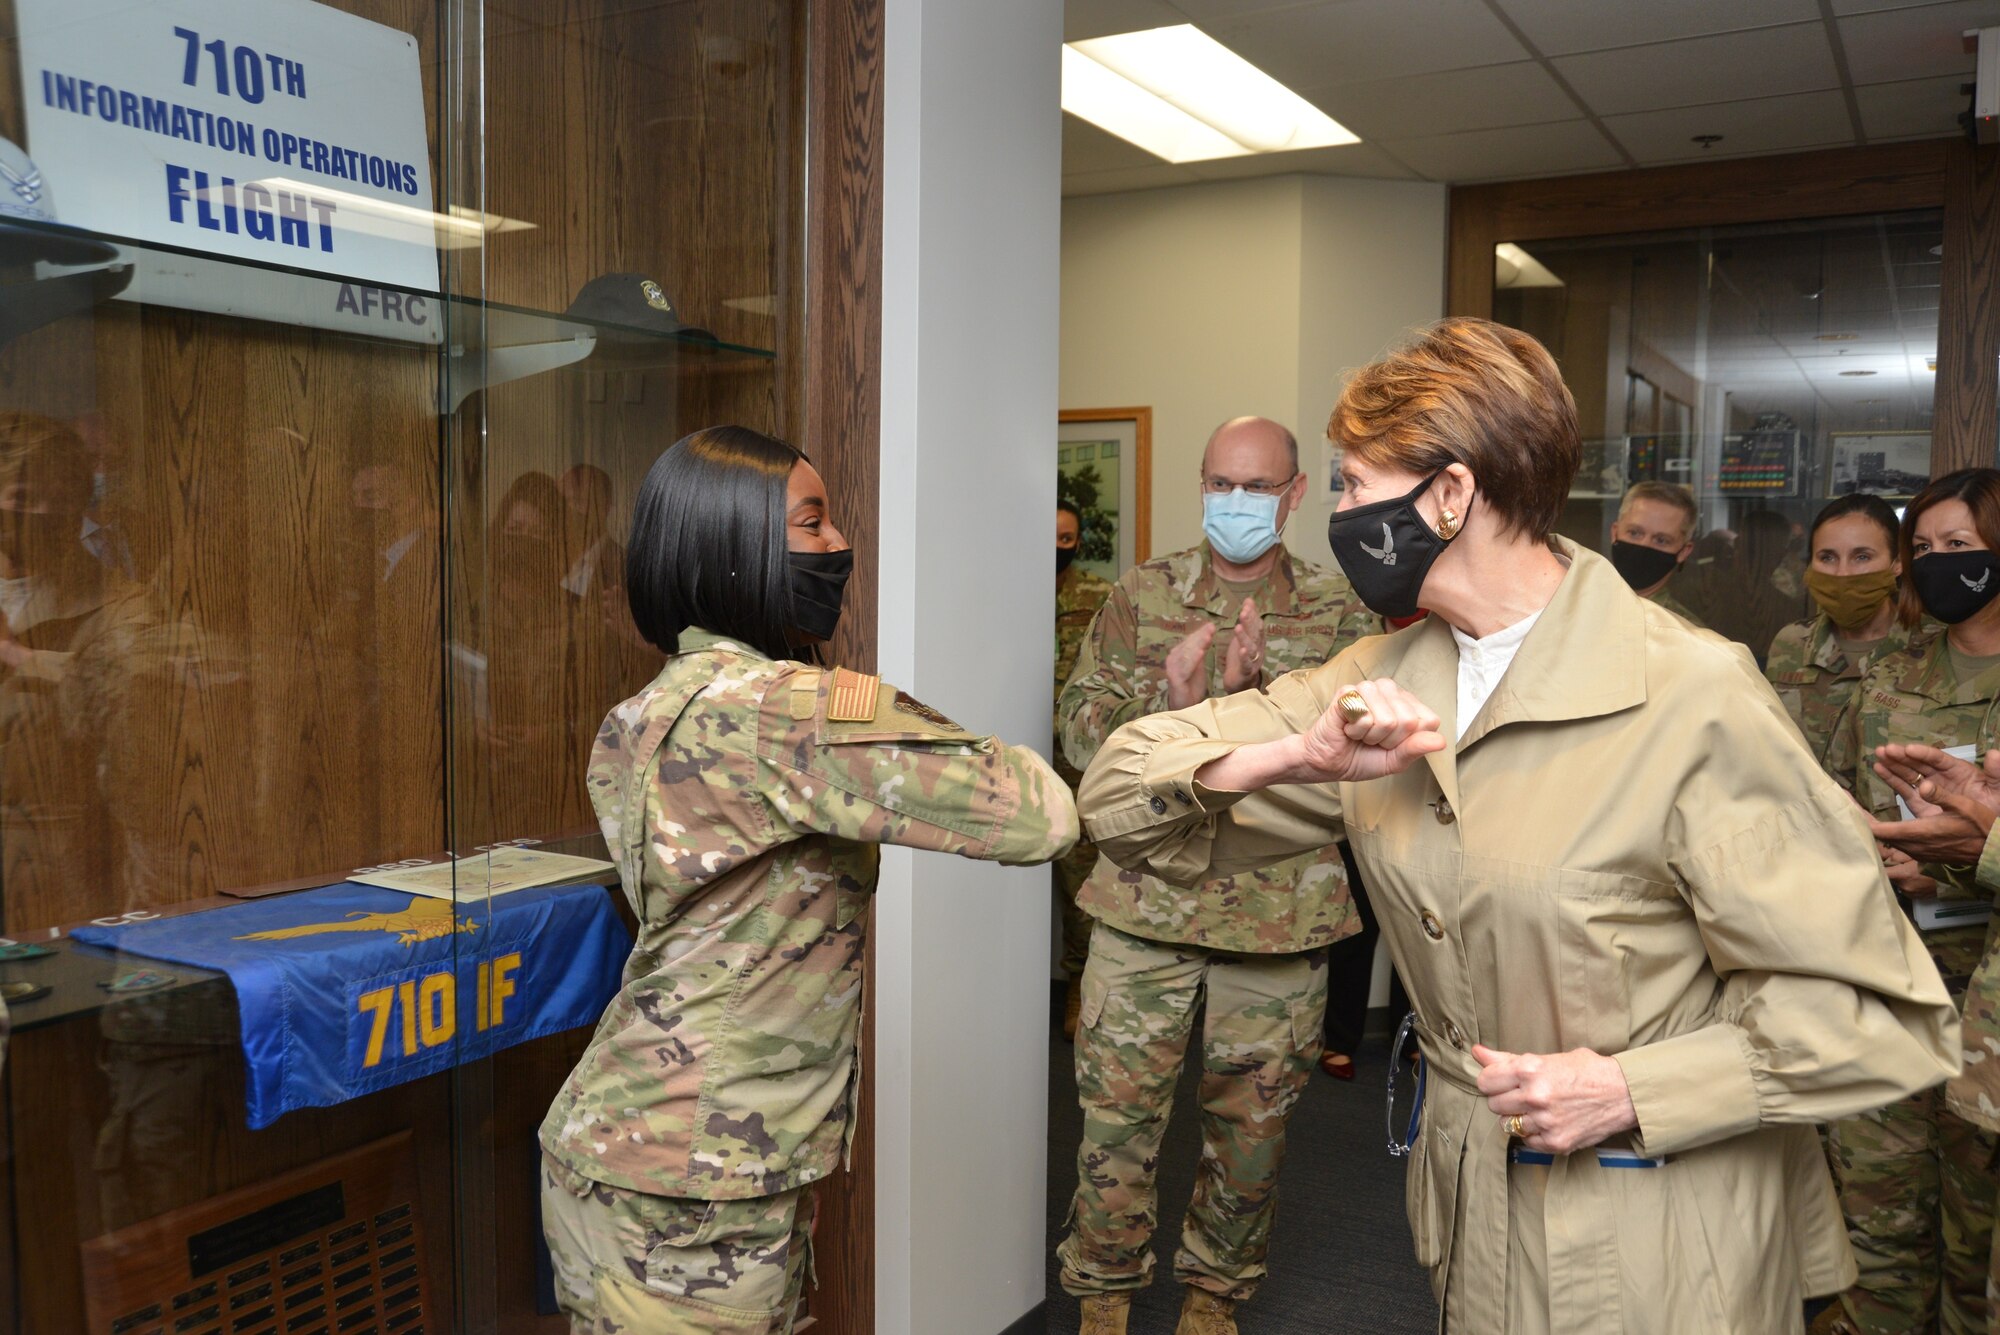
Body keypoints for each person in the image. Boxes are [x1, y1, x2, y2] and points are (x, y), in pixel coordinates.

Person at [1076, 318, 1960, 1335]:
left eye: (1353, 484)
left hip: (1658, 1228)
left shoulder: (1687, 696)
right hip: (1473, 1210)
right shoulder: (1381, 680)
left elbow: (1876, 1014)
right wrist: (1296, 754)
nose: (1338, 512)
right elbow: (1119, 797)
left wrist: (1631, 1087)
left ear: (1449, 495)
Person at [539, 425, 1077, 1335]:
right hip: (699, 1185)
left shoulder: (638, 714)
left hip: (628, 1150)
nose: (837, 546)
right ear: (733, 546)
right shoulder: (796, 710)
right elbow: (1040, 813)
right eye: (811, 522)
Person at [1056, 415, 1377, 1335]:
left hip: (1277, 915)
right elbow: (1081, 730)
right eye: (1221, 484)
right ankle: (1104, 1302)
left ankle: (1212, 1302)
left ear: (1295, 494)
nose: (1237, 503)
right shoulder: (1142, 592)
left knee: (1252, 1133)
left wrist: (1242, 710)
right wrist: (1174, 702)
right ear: (1202, 487)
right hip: (1144, 905)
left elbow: (1356, 765)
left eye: (1258, 487)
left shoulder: (1339, 612)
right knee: (1115, 1125)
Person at [1818, 468, 2000, 1335]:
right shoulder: (1893, 668)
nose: (1936, 564)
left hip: (1986, 1004)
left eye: (1958, 547)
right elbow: (1840, 795)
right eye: (1922, 548)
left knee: (1977, 1240)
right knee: (1878, 1217)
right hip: (1891, 981)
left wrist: (1960, 865)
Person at [1764, 494, 1907, 768]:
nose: (1842, 574)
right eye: (1827, 557)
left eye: (1862, 556)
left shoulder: (1930, 645)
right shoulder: (1791, 642)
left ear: (1897, 563)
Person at [1054, 498, 1115, 1038]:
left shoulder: (1098, 597)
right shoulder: (996, 589)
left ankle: (1077, 987)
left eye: (1067, 538)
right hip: (1006, 747)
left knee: (1079, 885)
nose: (1057, 547)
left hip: (1072, 763)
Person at [1609, 480, 1705, 626]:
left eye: (1661, 540)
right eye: (1634, 533)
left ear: (1684, 552)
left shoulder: (1687, 634)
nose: (1644, 544)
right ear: (1615, 532)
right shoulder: (1576, 604)